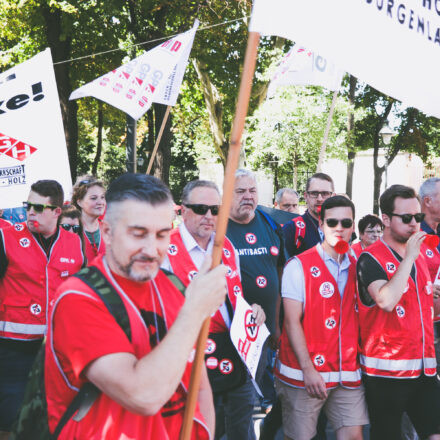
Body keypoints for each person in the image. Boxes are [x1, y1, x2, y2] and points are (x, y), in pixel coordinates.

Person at [44, 173, 228, 439]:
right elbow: (142, 396)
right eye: (138, 234)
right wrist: (195, 311)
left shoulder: (173, 286)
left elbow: (198, 386)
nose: (151, 250)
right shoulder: (78, 298)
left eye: (162, 234)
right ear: (107, 232)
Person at [162, 179, 266, 440]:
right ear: (182, 210)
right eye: (200, 208)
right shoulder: (164, 249)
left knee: (241, 431)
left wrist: (252, 311)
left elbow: (234, 298)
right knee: (199, 431)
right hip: (188, 356)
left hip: (234, 354)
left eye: (215, 209)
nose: (208, 216)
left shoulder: (227, 246)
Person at [275, 195, 368, 440]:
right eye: (332, 222)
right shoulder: (299, 266)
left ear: (353, 226)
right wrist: (308, 370)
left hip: (346, 372)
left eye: (346, 223)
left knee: (353, 436)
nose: (339, 228)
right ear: (320, 225)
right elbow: (291, 321)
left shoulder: (358, 264)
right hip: (304, 373)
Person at [0, 180, 84, 439]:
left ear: (57, 211)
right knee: (10, 418)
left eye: (38, 207)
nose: (30, 213)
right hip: (13, 347)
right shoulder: (7, 237)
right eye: (28, 206)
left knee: (51, 419)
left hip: (56, 351)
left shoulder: (74, 243)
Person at [357, 184, 440, 440]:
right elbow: (386, 300)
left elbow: (428, 312)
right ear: (386, 219)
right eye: (406, 218)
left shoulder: (420, 257)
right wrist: (409, 259)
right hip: (387, 371)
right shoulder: (370, 258)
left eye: (418, 217)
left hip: (424, 367)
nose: (414, 224)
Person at [226, 169, 286, 437]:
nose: (248, 197)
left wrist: (277, 324)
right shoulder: (217, 228)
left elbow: (280, 272)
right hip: (229, 334)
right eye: (240, 191)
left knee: (252, 399)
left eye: (252, 191)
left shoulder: (269, 223)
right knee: (238, 401)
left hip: (265, 333)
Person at [283, 173, 335, 259]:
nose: (319, 199)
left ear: (333, 196)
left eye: (325, 193)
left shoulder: (342, 227)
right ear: (306, 196)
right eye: (314, 193)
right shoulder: (292, 228)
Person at [71, 175, 106, 263]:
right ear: (79, 202)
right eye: (93, 198)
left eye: (102, 197)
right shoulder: (70, 230)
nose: (100, 202)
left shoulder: (109, 229)